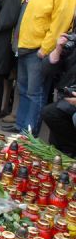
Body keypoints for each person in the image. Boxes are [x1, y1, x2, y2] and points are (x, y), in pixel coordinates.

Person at [3, 0, 76, 135]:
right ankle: (21, 125)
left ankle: (29, 131)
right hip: (24, 44)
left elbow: (61, 20)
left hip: (39, 48)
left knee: (36, 93)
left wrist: (46, 48)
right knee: (24, 89)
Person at [41, 26, 76, 157]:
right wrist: (58, 48)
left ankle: (70, 151)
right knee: (55, 143)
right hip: (66, 97)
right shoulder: (72, 42)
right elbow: (46, 70)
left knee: (51, 113)